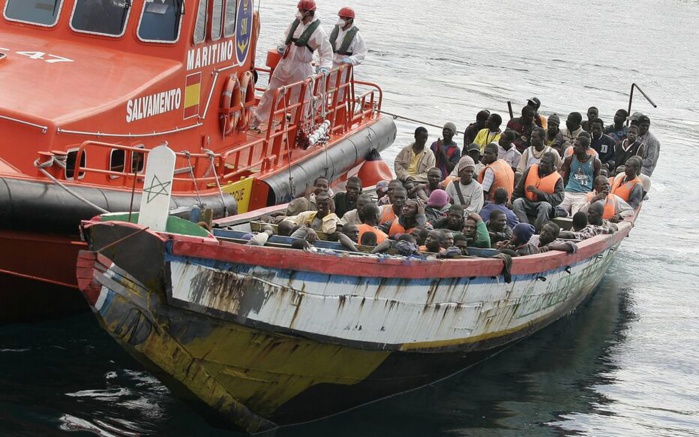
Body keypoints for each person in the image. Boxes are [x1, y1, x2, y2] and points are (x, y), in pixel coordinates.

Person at [251, 0, 332, 128]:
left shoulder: (319, 31)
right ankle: (257, 119)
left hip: (302, 66)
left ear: (308, 12)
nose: (298, 13)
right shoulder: (295, 24)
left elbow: (326, 52)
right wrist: (281, 46)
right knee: (271, 91)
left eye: (301, 10)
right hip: (285, 61)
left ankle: (297, 126)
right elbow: (285, 37)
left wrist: (324, 67)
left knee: (299, 98)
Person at [511, 152, 564, 231]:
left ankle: (535, 230)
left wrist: (538, 192)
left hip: (541, 205)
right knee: (517, 202)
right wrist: (512, 200)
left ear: (552, 165)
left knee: (545, 206)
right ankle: (526, 227)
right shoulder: (531, 169)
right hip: (527, 202)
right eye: (541, 161)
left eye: (545, 163)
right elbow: (519, 188)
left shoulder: (558, 178)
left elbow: (559, 198)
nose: (542, 164)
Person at [559, 135, 601, 217]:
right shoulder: (569, 159)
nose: (574, 147)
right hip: (568, 191)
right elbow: (565, 178)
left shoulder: (595, 162)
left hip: (583, 194)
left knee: (576, 216)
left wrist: (590, 194)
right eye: (574, 145)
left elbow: (596, 181)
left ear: (585, 147)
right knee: (557, 212)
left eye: (577, 145)